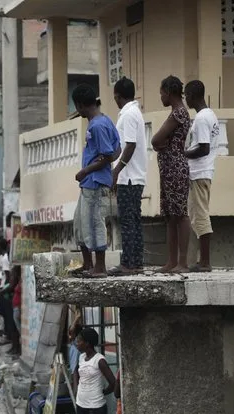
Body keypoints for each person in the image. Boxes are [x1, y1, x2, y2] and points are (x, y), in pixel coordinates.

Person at [70, 84, 120, 278]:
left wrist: (85, 171)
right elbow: (117, 149)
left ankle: (100, 267)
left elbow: (108, 155)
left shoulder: (98, 126)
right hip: (90, 182)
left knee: (94, 222)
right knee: (80, 223)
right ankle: (88, 263)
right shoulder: (104, 120)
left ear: (81, 105)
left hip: (95, 182)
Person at [151, 76, 192, 273]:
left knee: (180, 214)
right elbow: (158, 141)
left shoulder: (179, 113)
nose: (161, 97)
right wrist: (160, 144)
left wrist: (161, 144)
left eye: (161, 93)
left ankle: (182, 262)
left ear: (169, 91)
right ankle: (171, 262)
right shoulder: (176, 113)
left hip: (176, 168)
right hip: (169, 169)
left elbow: (156, 139)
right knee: (170, 216)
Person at [110, 77, 147, 276]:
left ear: (117, 96)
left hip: (130, 177)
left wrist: (117, 171)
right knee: (133, 220)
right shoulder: (133, 113)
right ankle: (135, 262)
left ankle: (129, 264)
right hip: (132, 175)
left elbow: (130, 145)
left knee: (128, 221)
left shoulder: (129, 115)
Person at [184, 79, 219, 273]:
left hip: (199, 172)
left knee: (200, 215)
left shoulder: (202, 118)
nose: (186, 99)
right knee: (196, 215)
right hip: (202, 171)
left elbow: (203, 148)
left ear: (193, 96)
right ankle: (201, 260)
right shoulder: (210, 115)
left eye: (186, 95)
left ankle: (204, 262)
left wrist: (183, 154)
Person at [74, 328, 116, 414]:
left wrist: (104, 392)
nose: (77, 343)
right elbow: (76, 371)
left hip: (96, 408)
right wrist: (76, 387)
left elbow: (113, 382)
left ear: (87, 343)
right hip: (80, 404)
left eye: (79, 341)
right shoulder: (81, 357)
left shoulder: (99, 360)